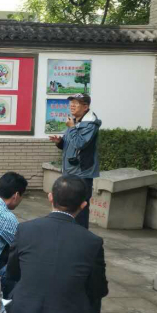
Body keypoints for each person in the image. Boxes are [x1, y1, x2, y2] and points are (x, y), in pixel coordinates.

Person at [7, 175, 108, 313]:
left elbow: (12, 272)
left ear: (50, 197)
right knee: (94, 297)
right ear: (83, 205)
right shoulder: (91, 242)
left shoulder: (25, 230)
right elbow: (98, 288)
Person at [49, 93, 101, 229]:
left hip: (82, 172)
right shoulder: (74, 121)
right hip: (70, 170)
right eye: (71, 103)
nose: (72, 106)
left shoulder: (90, 124)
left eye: (76, 103)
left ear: (85, 107)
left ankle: (80, 235)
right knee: (67, 206)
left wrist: (72, 128)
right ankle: (69, 233)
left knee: (80, 207)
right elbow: (71, 144)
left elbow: (80, 144)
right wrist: (60, 142)